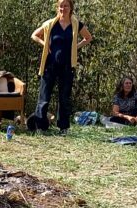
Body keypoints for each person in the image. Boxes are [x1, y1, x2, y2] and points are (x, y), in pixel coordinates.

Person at [29, 0, 92, 134]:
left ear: (71, 8)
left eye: (66, 6)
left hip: (67, 66)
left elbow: (88, 38)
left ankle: (63, 128)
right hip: (49, 66)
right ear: (58, 8)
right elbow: (34, 35)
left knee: (64, 98)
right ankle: (40, 127)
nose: (63, 8)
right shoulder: (50, 24)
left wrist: (75, 47)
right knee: (44, 97)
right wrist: (45, 44)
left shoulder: (76, 24)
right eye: (61, 6)